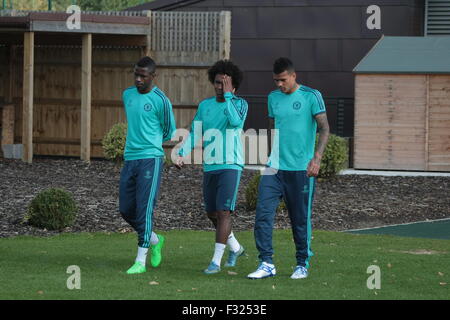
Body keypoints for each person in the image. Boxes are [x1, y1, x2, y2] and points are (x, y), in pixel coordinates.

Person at [247, 57, 330, 280]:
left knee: (299, 219)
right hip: (274, 168)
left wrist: (317, 159)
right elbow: (273, 127)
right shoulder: (273, 98)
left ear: (293, 76)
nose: (279, 85)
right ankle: (266, 263)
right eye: (276, 81)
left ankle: (302, 263)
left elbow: (324, 128)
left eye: (283, 80)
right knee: (262, 215)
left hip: (300, 170)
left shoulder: (311, 96)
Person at [175, 60, 248, 274]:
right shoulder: (205, 106)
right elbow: (196, 131)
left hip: (231, 165)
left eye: (224, 84)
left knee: (224, 212)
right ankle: (235, 247)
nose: (219, 86)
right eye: (217, 82)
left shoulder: (240, 103)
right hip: (210, 166)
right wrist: (182, 152)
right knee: (212, 213)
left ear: (234, 87)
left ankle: (215, 262)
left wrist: (227, 97)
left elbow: (235, 122)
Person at [119, 56, 176, 274]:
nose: (138, 79)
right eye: (136, 74)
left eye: (143, 75)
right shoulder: (127, 95)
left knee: (144, 209)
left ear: (153, 76)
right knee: (125, 209)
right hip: (130, 158)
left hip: (151, 158)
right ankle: (155, 239)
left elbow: (168, 130)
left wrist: (150, 144)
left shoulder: (161, 100)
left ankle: (140, 261)